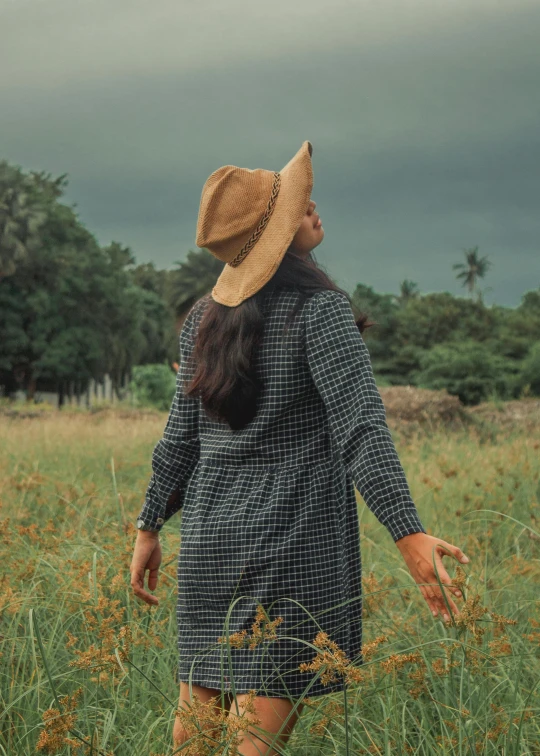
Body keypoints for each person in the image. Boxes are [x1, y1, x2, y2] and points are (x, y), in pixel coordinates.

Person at [130, 141, 470, 755]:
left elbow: (178, 439)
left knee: (194, 737)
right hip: (289, 543)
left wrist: (149, 525)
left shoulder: (202, 318)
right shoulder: (321, 311)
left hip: (209, 545)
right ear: (274, 239)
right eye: (292, 205)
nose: (309, 203)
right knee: (250, 746)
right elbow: (362, 428)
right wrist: (409, 533)